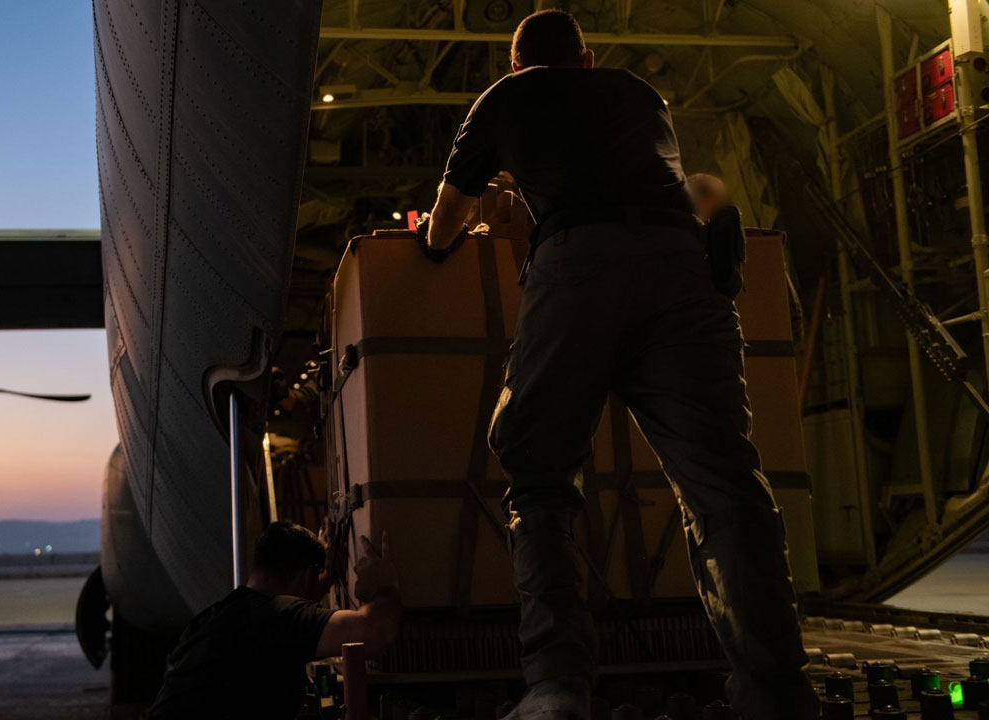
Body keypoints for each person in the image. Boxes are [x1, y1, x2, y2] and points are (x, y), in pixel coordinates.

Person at [419, 10, 817, 720]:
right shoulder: (637, 93)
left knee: (538, 471)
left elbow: (446, 220)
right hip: (681, 269)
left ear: (515, 67)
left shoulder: (504, 98)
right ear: (589, 56)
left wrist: (442, 241)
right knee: (725, 486)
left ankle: (556, 686)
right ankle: (778, 694)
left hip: (579, 267)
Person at [143, 521, 401, 720]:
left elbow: (293, 609)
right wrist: (384, 586)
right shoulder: (278, 617)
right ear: (306, 574)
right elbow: (376, 632)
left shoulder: (219, 616)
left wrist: (327, 576)